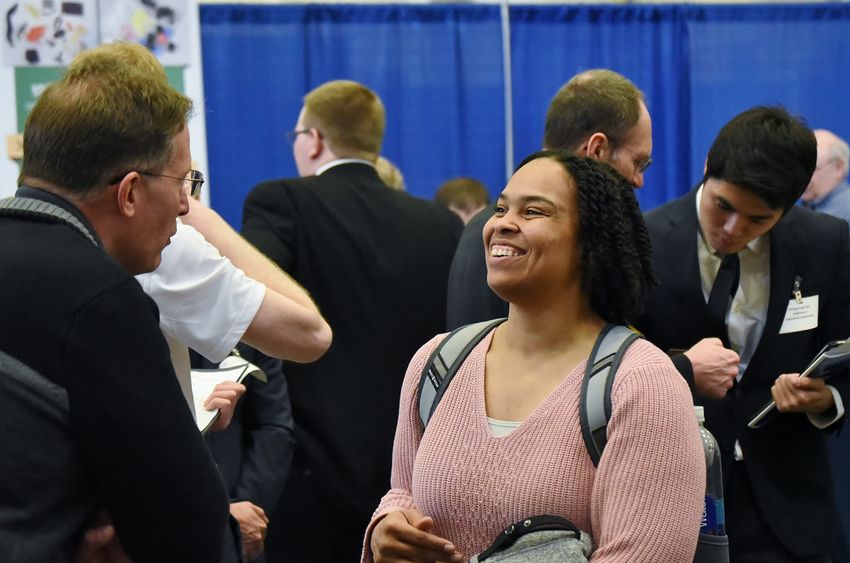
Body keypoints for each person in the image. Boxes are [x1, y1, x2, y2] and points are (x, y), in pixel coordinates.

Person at [363, 151, 705, 563]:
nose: (503, 223)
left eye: (534, 212)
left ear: (591, 244)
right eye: (502, 207)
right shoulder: (437, 362)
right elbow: (403, 490)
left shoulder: (643, 383)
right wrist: (387, 527)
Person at [0, 43, 233, 561]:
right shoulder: (102, 302)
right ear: (128, 193)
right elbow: (186, 524)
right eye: (181, 182)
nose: (183, 204)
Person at [241, 79, 462, 563]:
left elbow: (248, 301)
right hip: (415, 478)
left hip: (309, 478)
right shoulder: (440, 225)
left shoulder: (282, 202)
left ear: (315, 139)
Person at [634, 106, 850, 562]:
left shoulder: (827, 243)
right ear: (708, 167)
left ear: (788, 207)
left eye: (757, 221)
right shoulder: (643, 241)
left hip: (789, 507)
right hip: (672, 499)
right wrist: (683, 372)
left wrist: (825, 398)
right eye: (723, 207)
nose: (732, 230)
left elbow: (844, 354)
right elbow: (609, 369)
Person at [446, 69, 653, 330]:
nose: (638, 180)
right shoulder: (547, 239)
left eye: (532, 211)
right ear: (597, 149)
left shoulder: (480, 225)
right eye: (638, 163)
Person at [799, 129, 850, 227]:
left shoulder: (841, 219)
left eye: (812, 168)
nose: (801, 176)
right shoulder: (808, 206)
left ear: (839, 168)